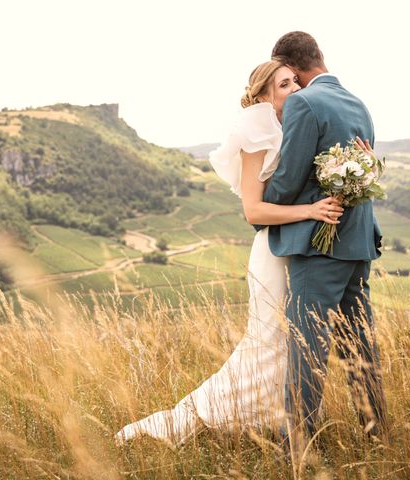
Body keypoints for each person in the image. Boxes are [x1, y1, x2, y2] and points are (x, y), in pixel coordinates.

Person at [113, 59, 345, 446]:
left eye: (294, 81)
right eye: (284, 84)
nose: (295, 89)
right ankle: (192, 418)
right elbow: (253, 210)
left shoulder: (296, 129)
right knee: (268, 342)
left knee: (292, 343)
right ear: (266, 96)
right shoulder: (255, 137)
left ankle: (280, 421)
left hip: (297, 249)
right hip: (272, 249)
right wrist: (310, 210)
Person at [253, 31, 389, 450]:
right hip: (358, 243)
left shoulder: (302, 102)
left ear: (290, 68)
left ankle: (297, 442)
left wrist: (262, 207)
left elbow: (291, 177)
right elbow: (362, 170)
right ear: (320, 58)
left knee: (307, 342)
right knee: (357, 341)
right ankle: (376, 431)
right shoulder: (357, 103)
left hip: (320, 245)